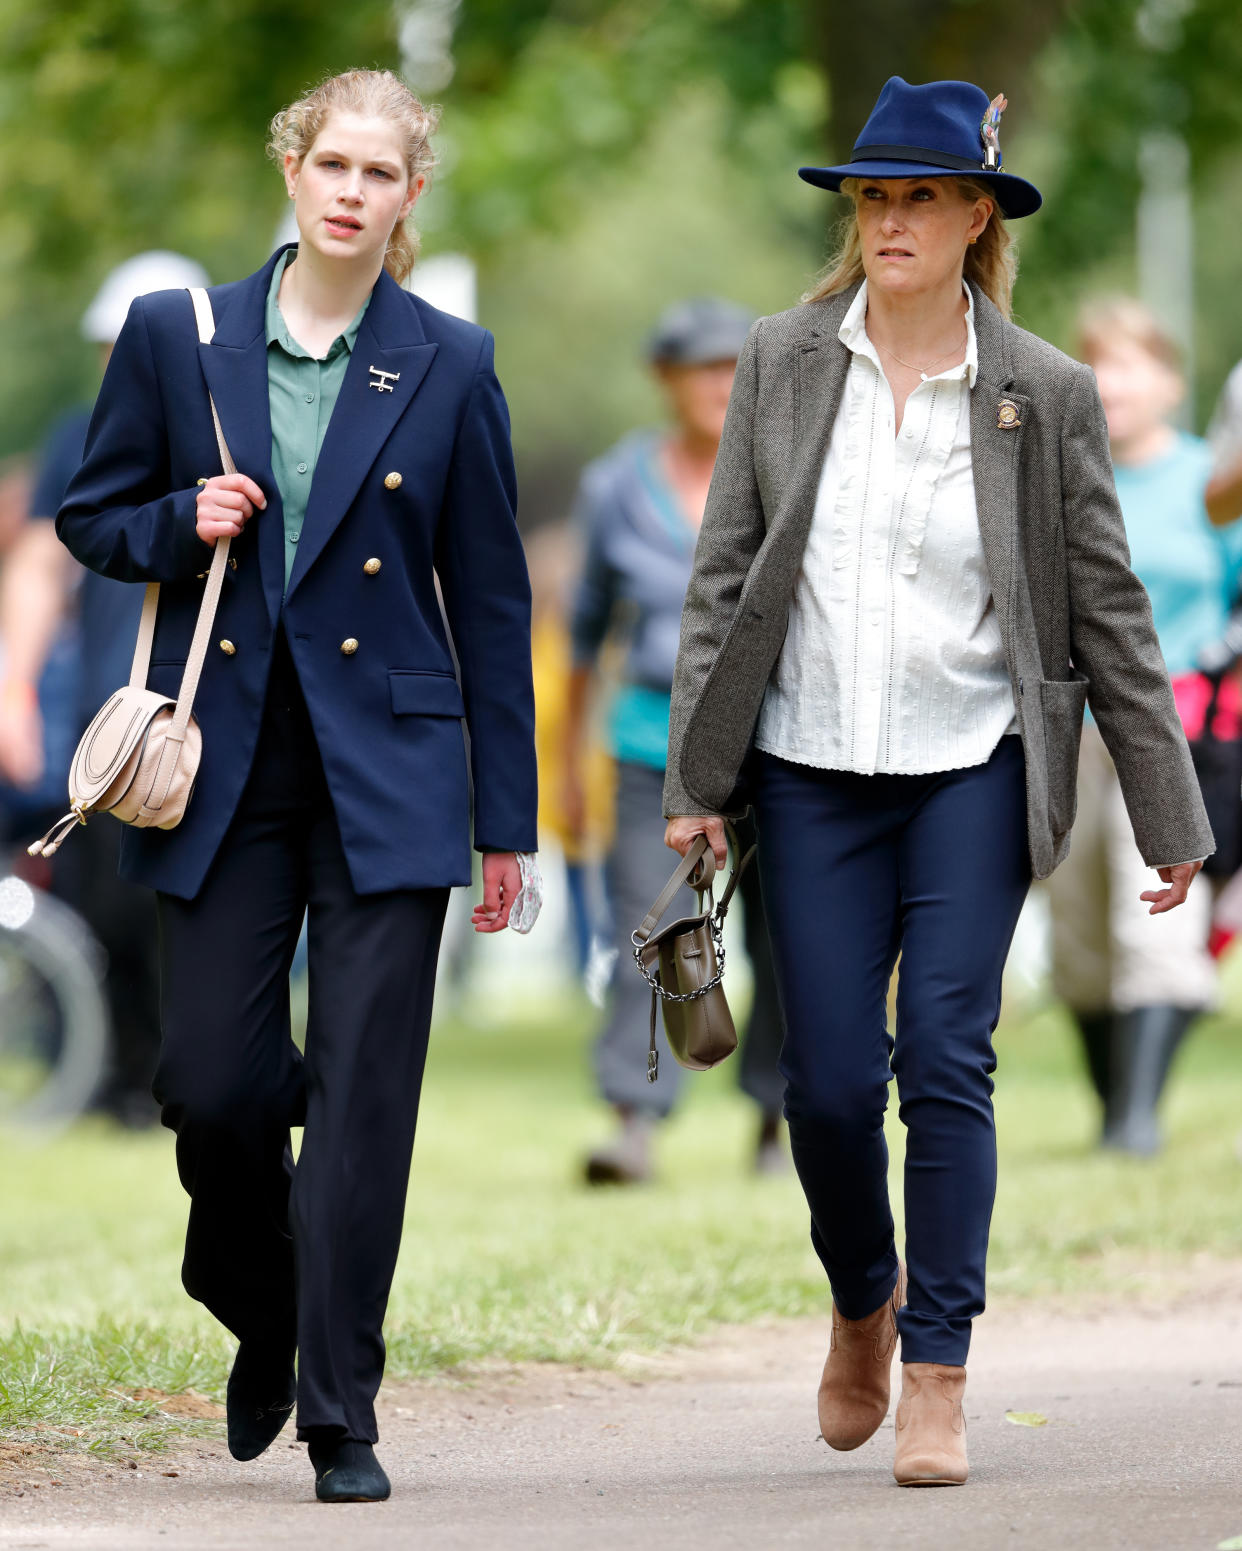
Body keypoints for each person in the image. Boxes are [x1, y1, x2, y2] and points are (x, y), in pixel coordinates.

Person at [660, 77, 1211, 1488]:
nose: (890, 219)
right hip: (808, 768)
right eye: (871, 196)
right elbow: (722, 578)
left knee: (945, 1060)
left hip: (972, 763)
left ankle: (938, 1371)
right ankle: (862, 1293)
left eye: (918, 196)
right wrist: (696, 777)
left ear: (977, 213)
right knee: (828, 1084)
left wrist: (1165, 808)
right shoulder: (783, 360)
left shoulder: (1044, 388)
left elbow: (1106, 606)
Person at [54, 69, 538, 1504]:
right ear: (291, 169)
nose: (350, 190)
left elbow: (494, 597)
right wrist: (174, 515)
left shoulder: (451, 357)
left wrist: (502, 819)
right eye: (330, 162)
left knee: (367, 1091)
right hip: (223, 760)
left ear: (408, 196)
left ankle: (342, 1406)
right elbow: (88, 513)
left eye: (379, 173)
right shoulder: (177, 333)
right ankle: (259, 1291)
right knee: (210, 1080)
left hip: (394, 765)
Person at [565, 298, 787, 1184]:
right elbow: (584, 634)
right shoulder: (616, 486)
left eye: (734, 366)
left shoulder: (787, 469)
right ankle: (634, 1119)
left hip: (778, 741)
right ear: (666, 378)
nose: (718, 385)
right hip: (646, 742)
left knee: (790, 938)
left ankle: (778, 1120)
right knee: (652, 930)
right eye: (700, 368)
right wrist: (567, 765)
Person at [0, 252, 210, 1125]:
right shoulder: (78, 438)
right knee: (106, 906)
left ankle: (191, 1079)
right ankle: (121, 1081)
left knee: (195, 912)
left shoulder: (227, 429)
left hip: (206, 712)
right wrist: (12, 687)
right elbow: (41, 566)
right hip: (107, 721)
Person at [1045, 298, 1237, 1155]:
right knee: (1079, 918)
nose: (1109, 383)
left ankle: (1137, 1119)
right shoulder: (1061, 474)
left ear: (1168, 378)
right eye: (1095, 364)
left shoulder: (1212, 481)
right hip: (1071, 723)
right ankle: (1112, 1106)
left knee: (1152, 907)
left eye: (1128, 364)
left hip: (1175, 726)